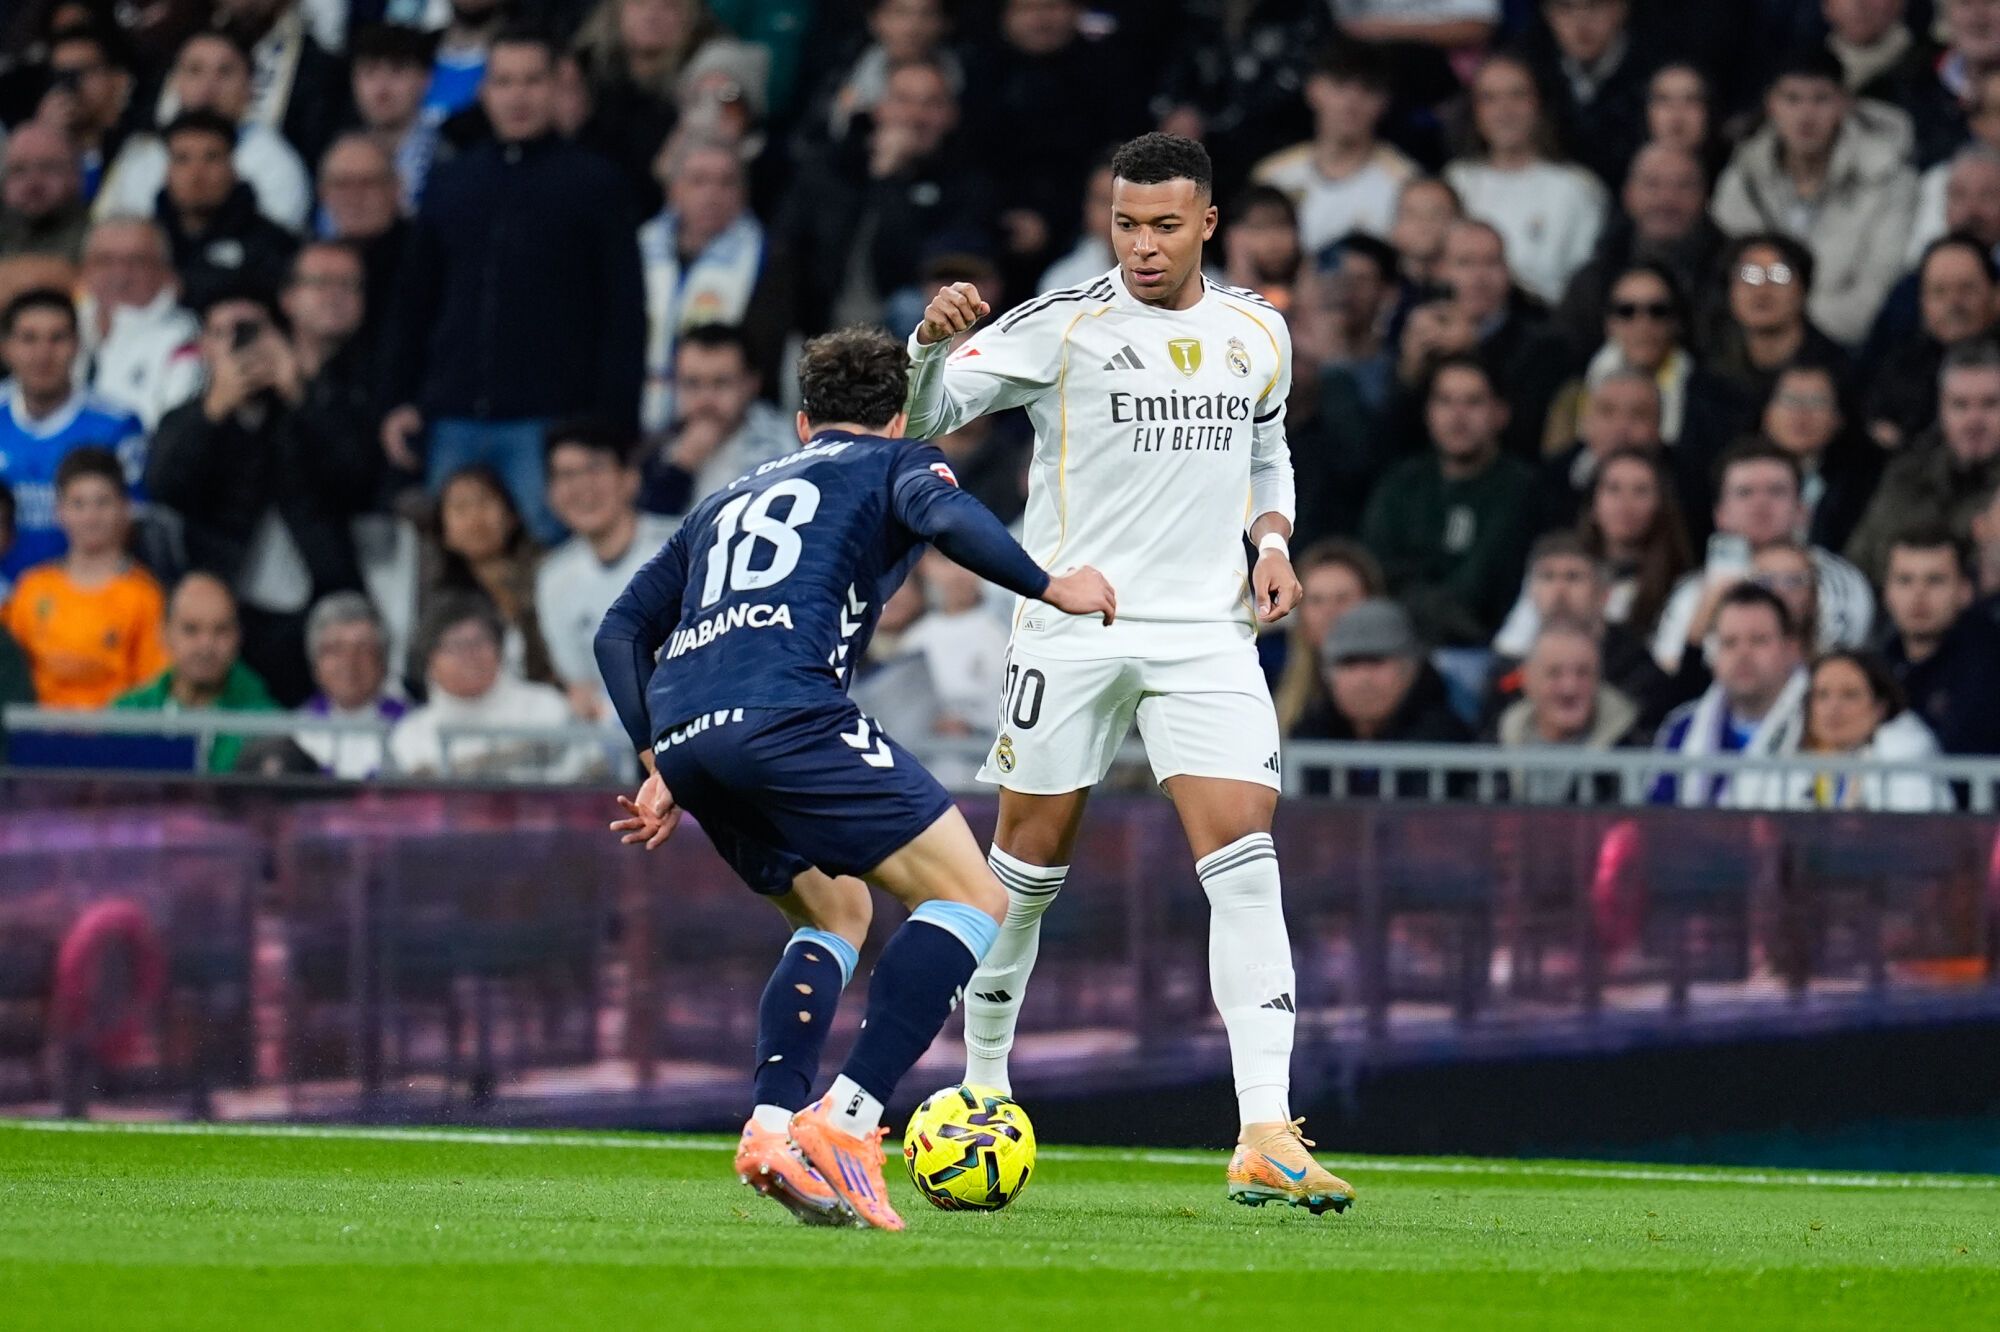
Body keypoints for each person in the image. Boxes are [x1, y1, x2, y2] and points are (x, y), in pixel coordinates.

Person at [903, 133, 1355, 1212]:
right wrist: (924, 348)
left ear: (1206, 223)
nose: (1141, 246)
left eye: (1163, 225)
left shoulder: (1256, 330)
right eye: (1124, 223)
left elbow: (1265, 446)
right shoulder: (1060, 327)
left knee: (1244, 856)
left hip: (1204, 632)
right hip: (1070, 624)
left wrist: (1275, 541)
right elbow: (920, 423)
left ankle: (1262, 1128)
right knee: (1025, 867)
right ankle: (980, 1085)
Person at [594, 324, 1119, 1231]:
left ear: (803, 422)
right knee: (973, 899)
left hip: (687, 728)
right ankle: (850, 1117)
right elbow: (952, 518)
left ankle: (767, 1126)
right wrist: (1050, 585)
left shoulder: (723, 498)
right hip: (788, 714)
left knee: (836, 912)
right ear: (898, 419)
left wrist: (655, 757)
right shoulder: (895, 464)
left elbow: (618, 630)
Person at [380, 28, 647, 548]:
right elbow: (414, 301)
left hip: (550, 424)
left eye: (532, 81)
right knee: (453, 573)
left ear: (556, 88)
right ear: (485, 92)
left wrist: (614, 422)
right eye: (504, 81)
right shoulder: (451, 182)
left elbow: (624, 313)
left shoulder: (596, 184)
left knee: (549, 568)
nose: (518, 96)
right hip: (451, 416)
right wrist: (398, 398)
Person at [145, 277, 379, 706]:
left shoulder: (321, 402)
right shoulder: (187, 418)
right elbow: (166, 489)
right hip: (228, 607)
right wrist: (215, 410)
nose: (241, 345)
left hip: (316, 605)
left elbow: (358, 478)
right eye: (224, 334)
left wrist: (298, 391)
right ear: (204, 347)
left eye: (252, 331)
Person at [1709, 46, 1918, 346]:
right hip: (1752, 346)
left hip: (1846, 348)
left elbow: (1877, 287)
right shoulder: (1742, 179)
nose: (1806, 115)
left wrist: (1793, 330)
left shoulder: (1889, 179)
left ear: (1844, 103)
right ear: (1771, 105)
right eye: (1792, 99)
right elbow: (1728, 279)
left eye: (1821, 99)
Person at [778, 57, 994, 336]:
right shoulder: (833, 168)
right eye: (903, 100)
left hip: (909, 332)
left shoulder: (967, 184)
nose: (916, 116)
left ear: (952, 114)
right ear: (879, 108)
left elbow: (905, 268)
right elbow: (791, 246)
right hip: (819, 325)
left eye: (932, 104)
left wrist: (890, 179)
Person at [1653, 441, 1875, 676]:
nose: (1761, 503)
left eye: (1776, 491)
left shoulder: (1838, 581)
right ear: (1721, 515)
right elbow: (1669, 676)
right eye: (1745, 492)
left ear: (1802, 510)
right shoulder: (1692, 592)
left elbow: (1843, 670)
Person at [1363, 353, 1539, 645]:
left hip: (1485, 644)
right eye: (1445, 401)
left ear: (1500, 414)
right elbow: (1376, 567)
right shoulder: (1402, 483)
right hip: (1400, 641)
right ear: (1428, 413)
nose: (1457, 416)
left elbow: (1485, 586)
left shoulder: (1522, 489)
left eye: (1473, 402)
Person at [638, 133, 792, 434]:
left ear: (743, 192)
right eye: (699, 181)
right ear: (674, 189)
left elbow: (764, 353)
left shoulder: (769, 257)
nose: (712, 194)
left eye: (726, 182)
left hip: (735, 427)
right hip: (639, 419)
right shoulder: (640, 248)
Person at [535, 420, 681, 724]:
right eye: (566, 475)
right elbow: (581, 687)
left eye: (595, 469)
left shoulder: (681, 548)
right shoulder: (553, 578)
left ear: (630, 479)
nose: (582, 487)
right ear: (550, 494)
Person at [94, 31, 311, 232]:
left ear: (250, 85)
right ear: (175, 82)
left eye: (225, 72)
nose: (208, 87)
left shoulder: (276, 164)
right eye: (195, 71)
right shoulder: (142, 154)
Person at [0, 447, 166, 708]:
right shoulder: (32, 588)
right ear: (59, 511)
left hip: (114, 740)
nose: (91, 517)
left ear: (124, 509)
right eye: (78, 504)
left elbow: (154, 688)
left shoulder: (145, 596)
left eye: (103, 502)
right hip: (34, 737)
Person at [0, 287, 146, 583]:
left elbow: (135, 524)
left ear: (78, 345)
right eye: (29, 338)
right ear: (6, 348)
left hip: (87, 608)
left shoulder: (117, 425)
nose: (43, 354)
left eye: (57, 338)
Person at [1444, 52, 1607, 305]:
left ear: (1539, 103)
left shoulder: (1577, 189)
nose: (1504, 110)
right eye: (1489, 98)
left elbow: (1583, 287)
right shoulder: (1455, 181)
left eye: (1517, 95)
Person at [388, 591, 599, 782]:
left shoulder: (546, 707)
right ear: (429, 660)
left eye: (480, 641)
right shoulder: (410, 736)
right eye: (455, 645)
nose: (470, 655)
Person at [1848, 338, 2000, 581]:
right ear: (1942, 408)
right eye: (1960, 405)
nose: (1974, 420)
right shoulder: (1907, 474)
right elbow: (1860, 562)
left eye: (1990, 404)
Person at [1554, 142, 1723, 358]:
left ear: (1705, 197)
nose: (1667, 199)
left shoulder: (1730, 274)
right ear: (1628, 195)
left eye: (1683, 186)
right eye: (1652, 185)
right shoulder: (1591, 283)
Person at [1485, 531, 1670, 728]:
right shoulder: (1509, 668)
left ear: (1603, 594)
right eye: (1547, 577)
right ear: (1531, 592)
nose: (1559, 590)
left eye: (1573, 577)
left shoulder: (1636, 668)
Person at [1731, 649, 1949, 811]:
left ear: (1880, 707)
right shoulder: (1783, 768)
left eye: (1850, 695)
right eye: (1822, 695)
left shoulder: (1907, 765)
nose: (1833, 708)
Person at [1651, 583, 1808, 807]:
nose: (1743, 654)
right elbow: (1657, 818)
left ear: (1791, 649)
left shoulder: (1820, 723)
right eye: (1729, 642)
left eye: (1758, 640)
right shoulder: (1682, 728)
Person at [1250, 45, 1417, 251]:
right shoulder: (1273, 176)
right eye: (1339, 84)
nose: (1351, 102)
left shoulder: (1405, 183)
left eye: (1368, 89)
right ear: (1313, 90)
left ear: (1384, 102)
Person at [113, 570, 281, 774]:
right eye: (191, 629)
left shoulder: (269, 725)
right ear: (163, 634)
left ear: (238, 636)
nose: (206, 646)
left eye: (221, 630)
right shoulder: (126, 717)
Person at [414, 464, 553, 687]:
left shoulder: (551, 573)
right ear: (444, 531)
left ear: (511, 516)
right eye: (460, 507)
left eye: (485, 501)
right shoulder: (440, 599)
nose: (475, 517)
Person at [638, 324, 796, 515]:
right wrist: (681, 466)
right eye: (692, 383)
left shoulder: (785, 449)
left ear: (752, 384)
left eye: (720, 383)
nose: (705, 399)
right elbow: (649, 527)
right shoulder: (658, 446)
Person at [151, 109, 299, 309]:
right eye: (182, 159)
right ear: (167, 172)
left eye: (211, 158)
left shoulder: (274, 245)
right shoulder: (145, 243)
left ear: (233, 168)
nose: (196, 174)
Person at [1864, 234, 1999, 451]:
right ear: (1923, 302)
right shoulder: (1898, 365)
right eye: (1939, 292)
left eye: (1966, 288)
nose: (1954, 303)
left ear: (1995, 293)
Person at [1494, 617, 1643, 804]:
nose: (1570, 688)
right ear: (1528, 680)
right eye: (1554, 673)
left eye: (1583, 673)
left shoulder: (1632, 747)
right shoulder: (1496, 741)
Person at [74, 217, 201, 430]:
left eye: (137, 261)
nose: (120, 274)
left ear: (165, 271)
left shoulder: (183, 338)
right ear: (85, 269)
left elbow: (173, 431)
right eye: (104, 260)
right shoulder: (61, 328)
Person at [1880, 528, 2000, 754]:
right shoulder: (1877, 667)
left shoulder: (1990, 667)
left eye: (1935, 581)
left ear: (1965, 591)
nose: (1918, 594)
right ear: (1887, 592)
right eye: (1905, 580)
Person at [1526, 0, 1655, 191]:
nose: (1581, 23)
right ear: (1548, 14)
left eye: (1594, 6)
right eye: (1565, 7)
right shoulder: (1528, 69)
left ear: (1621, 9)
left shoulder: (1655, 73)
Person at [1708, 232, 1849, 406]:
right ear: (1729, 291)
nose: (1762, 290)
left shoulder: (1841, 372)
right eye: (1749, 276)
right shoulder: (1712, 374)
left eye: (1779, 276)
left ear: (1803, 289)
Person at [1763, 360, 1884, 554]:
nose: (1801, 415)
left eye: (1816, 402)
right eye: (1790, 400)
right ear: (1767, 413)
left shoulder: (1866, 480)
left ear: (1839, 417)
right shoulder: (1738, 469)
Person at [1579, 445, 1694, 644]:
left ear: (1661, 506)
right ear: (1593, 504)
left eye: (1640, 491)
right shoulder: (1560, 570)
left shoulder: (1684, 589)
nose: (1626, 503)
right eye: (1613, 489)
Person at [1271, 538, 1384, 735]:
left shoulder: (1402, 681)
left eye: (1343, 599)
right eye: (1316, 601)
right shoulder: (1270, 674)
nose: (1330, 612)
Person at [294, 590, 406, 780]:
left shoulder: (414, 729)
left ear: (383, 662)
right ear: (315, 663)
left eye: (363, 648)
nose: (349, 661)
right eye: (335, 649)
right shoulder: (295, 733)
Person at [34, 24, 138, 204]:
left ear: (118, 78)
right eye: (62, 75)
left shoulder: (139, 143)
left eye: (83, 72)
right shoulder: (36, 140)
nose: (72, 86)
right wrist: (45, 141)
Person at [348, 22, 444, 212]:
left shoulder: (446, 160)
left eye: (397, 72)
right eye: (370, 72)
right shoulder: (341, 158)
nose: (382, 89)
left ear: (426, 79)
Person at [0, 121, 87, 263]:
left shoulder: (96, 246)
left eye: (48, 168)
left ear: (76, 177)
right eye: (19, 170)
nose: (32, 183)